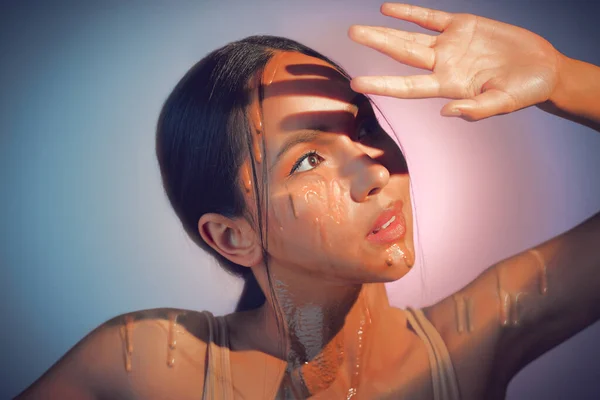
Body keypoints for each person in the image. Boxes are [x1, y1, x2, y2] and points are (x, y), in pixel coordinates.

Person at [16, 3, 600, 399]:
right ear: (231, 235)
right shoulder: (148, 361)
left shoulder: (477, 340)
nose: (372, 166)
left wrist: (562, 77)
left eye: (364, 127)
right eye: (308, 159)